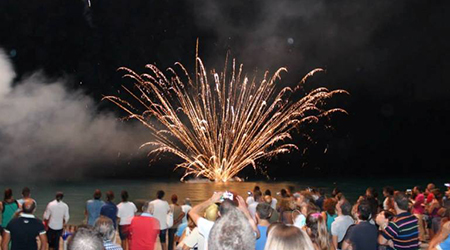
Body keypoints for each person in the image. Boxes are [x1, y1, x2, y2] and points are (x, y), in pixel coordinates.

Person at [189, 191, 259, 248]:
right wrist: (246, 211)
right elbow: (257, 234)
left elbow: (192, 212)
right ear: (236, 211)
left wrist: (211, 200)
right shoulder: (242, 230)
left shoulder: (210, 228)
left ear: (219, 213)